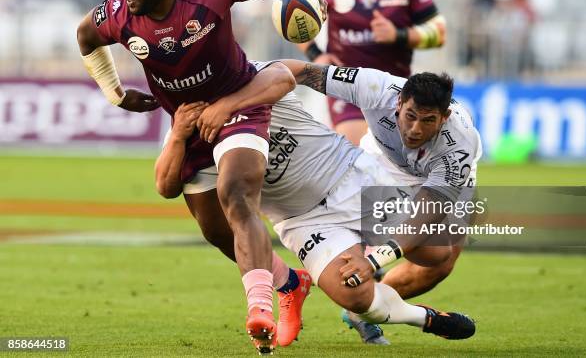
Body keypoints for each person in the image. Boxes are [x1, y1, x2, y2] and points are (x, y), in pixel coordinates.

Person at [75, 0, 327, 354]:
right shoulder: (118, 15)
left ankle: (260, 308)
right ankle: (290, 283)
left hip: (240, 104)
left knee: (236, 195)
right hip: (187, 123)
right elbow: (85, 36)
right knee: (214, 230)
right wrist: (115, 93)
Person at [156, 62, 477, 351]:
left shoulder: (458, 146)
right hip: (303, 218)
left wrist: (376, 259)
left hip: (351, 178)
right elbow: (301, 71)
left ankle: (364, 255)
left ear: (444, 117)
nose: (416, 129)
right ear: (398, 104)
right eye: (410, 116)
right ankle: (422, 318)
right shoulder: (380, 88)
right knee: (356, 297)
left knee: (436, 254)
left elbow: (426, 213)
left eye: (428, 120)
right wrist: (178, 135)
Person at [297, 0, 447, 145]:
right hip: (347, 85)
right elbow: (297, 22)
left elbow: (439, 34)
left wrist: (399, 35)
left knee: (400, 164)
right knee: (359, 154)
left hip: (396, 89)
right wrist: (316, 55)